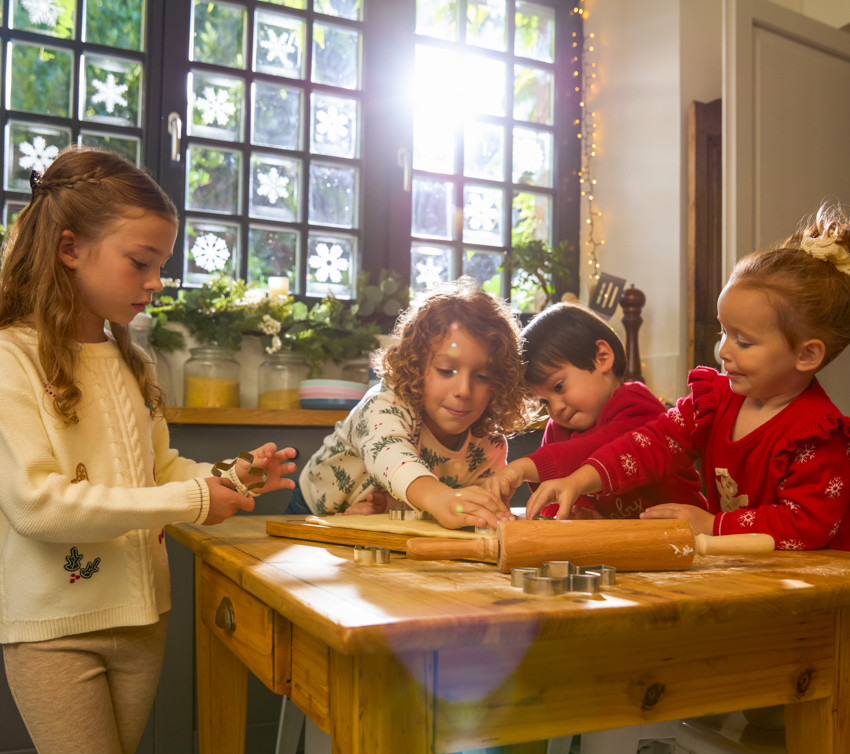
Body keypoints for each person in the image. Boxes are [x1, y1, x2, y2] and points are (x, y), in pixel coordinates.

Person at [0, 147, 298, 754]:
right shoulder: (12, 357)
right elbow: (36, 504)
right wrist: (195, 500)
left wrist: (231, 476)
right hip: (53, 633)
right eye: (141, 261)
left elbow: (160, 470)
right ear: (70, 248)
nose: (156, 282)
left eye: (161, 264)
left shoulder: (134, 361)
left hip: (142, 622)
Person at [526, 203, 850, 551]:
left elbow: (806, 526)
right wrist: (581, 479)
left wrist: (713, 524)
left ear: (806, 354)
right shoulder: (714, 399)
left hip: (813, 587)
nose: (725, 351)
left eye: (743, 341)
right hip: (749, 574)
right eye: (723, 333)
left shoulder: (817, 435)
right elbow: (650, 444)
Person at [289, 278, 530, 529]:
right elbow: (391, 456)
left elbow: (460, 508)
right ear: (416, 365)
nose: (463, 390)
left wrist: (390, 508)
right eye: (446, 370)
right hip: (315, 511)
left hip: (382, 522)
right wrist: (441, 498)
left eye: (482, 376)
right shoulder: (385, 404)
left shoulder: (490, 443)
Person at [486, 301, 706, 518]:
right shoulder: (557, 430)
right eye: (544, 402)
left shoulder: (637, 405)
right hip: (619, 544)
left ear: (602, 357)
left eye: (559, 386)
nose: (556, 408)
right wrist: (573, 515)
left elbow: (596, 449)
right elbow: (554, 494)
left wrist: (525, 466)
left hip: (683, 538)